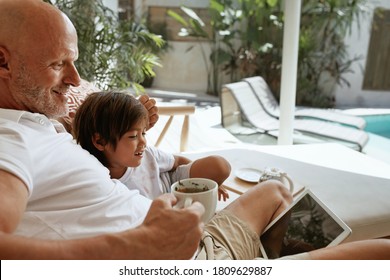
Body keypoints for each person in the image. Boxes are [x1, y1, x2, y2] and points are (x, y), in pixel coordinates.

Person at [0, 0, 389, 260]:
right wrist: (135, 246)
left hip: (188, 237)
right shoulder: (9, 139)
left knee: (273, 190)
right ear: (3, 62)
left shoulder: (35, 123)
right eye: (57, 64)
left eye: (74, 62)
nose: (74, 78)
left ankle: (272, 254)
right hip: (185, 259)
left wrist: (122, 124)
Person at [72, 90, 230, 200]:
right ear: (100, 141)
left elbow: (177, 162)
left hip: (172, 184)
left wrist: (210, 182)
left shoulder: (148, 154)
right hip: (158, 209)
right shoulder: (98, 179)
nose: (143, 142)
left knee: (220, 166)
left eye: (143, 133)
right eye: (133, 136)